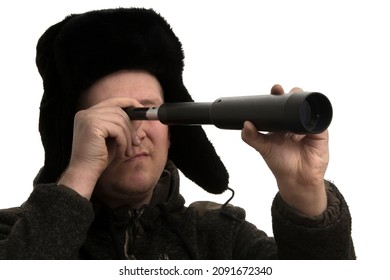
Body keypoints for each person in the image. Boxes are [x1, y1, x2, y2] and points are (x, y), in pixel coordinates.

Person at [0, 8, 355, 259]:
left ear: (174, 131)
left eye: (149, 110)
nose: (136, 132)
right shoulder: (17, 234)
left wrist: (304, 190)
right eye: (114, 116)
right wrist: (78, 175)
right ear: (77, 135)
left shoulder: (220, 240)